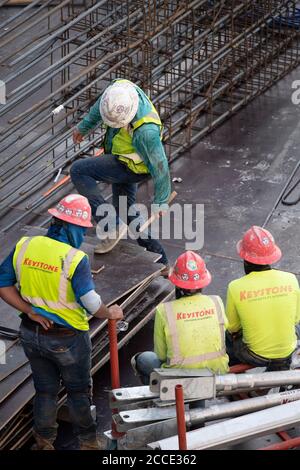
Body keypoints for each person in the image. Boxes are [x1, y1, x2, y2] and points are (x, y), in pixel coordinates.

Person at [0, 194, 123, 450]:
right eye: (82, 228)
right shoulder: (74, 259)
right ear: (71, 226)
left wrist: (29, 309)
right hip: (68, 339)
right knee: (78, 391)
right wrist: (109, 313)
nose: (83, 233)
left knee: (45, 390)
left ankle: (44, 442)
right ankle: (89, 443)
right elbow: (90, 303)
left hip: (31, 333)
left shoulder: (25, 245)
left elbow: (3, 284)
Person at [70, 78, 171, 274]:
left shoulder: (146, 132)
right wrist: (84, 127)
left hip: (133, 168)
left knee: (78, 170)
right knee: (126, 210)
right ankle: (162, 262)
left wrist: (161, 200)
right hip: (121, 156)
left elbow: (161, 167)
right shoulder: (119, 91)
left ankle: (110, 226)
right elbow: (101, 105)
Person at [131, 251, 229, 385]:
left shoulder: (165, 310)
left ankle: (161, 396)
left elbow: (161, 355)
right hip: (217, 373)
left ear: (177, 283)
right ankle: (197, 402)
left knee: (142, 359)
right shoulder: (216, 302)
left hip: (179, 379)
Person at [226, 225, 300, 371]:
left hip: (256, 355)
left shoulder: (235, 287)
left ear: (244, 257)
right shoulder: (291, 279)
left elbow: (233, 327)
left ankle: (233, 375)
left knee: (227, 338)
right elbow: (296, 318)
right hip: (288, 350)